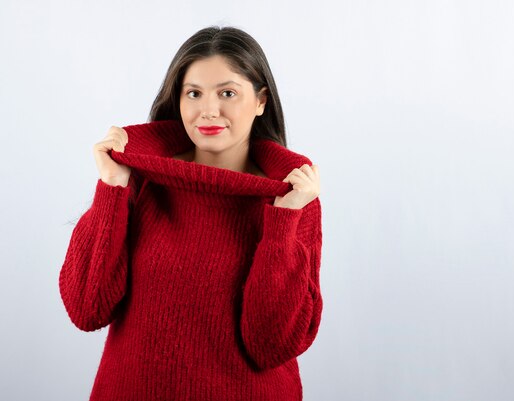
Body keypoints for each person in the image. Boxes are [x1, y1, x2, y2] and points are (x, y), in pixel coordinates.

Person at [59, 26, 323, 401]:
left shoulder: (294, 198)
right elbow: (88, 308)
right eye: (194, 93)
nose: (208, 111)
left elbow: (272, 345)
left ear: (261, 100)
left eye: (227, 93)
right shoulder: (142, 180)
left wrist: (283, 223)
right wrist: (112, 187)